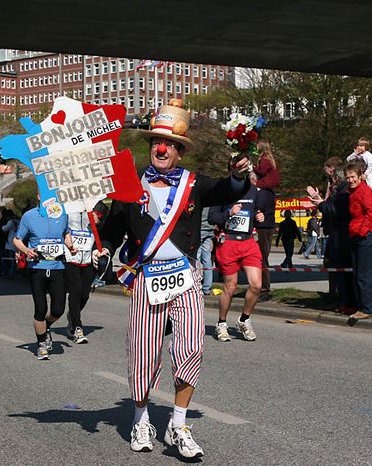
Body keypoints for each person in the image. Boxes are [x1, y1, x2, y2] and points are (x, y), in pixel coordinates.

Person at [97, 99, 250, 458]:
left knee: (191, 348)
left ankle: (179, 424)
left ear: (179, 152)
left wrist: (239, 173)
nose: (161, 149)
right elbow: (114, 227)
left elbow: (229, 190)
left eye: (169, 145)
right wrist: (102, 247)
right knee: (144, 356)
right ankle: (140, 419)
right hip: (146, 280)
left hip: (185, 280)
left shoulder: (193, 183)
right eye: (155, 143)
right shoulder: (130, 186)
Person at [12, 197, 73, 360]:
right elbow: (16, 239)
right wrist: (26, 250)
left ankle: (45, 328)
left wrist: (70, 245)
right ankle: (41, 344)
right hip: (37, 268)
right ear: (38, 196)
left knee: (58, 309)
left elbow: (66, 233)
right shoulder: (29, 216)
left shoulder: (62, 213)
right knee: (40, 309)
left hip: (57, 267)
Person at [209, 169, 264, 342]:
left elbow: (255, 212)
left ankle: (244, 319)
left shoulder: (253, 190)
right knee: (230, 287)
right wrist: (229, 213)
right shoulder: (222, 190)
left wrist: (259, 216)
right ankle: (222, 323)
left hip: (248, 242)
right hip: (229, 243)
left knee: (256, 285)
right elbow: (212, 217)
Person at [308, 157, 356, 314]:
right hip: (333, 232)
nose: (330, 181)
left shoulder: (343, 191)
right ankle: (337, 299)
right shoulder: (338, 189)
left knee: (341, 270)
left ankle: (343, 301)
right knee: (334, 268)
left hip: (340, 235)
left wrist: (320, 203)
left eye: (331, 177)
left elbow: (334, 210)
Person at [64, 202, 107, 344]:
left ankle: (72, 315)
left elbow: (105, 227)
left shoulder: (96, 204)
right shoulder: (67, 205)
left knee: (84, 294)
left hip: (88, 258)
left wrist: (98, 221)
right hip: (71, 256)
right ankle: (77, 327)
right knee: (75, 292)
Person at [344, 162, 372, 319]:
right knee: (358, 274)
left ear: (360, 176)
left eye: (353, 177)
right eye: (348, 177)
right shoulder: (352, 192)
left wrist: (362, 231)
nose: (351, 180)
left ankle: (367, 309)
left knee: (364, 275)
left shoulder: (364, 191)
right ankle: (361, 307)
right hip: (356, 234)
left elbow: (371, 212)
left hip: (365, 236)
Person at [254, 173, 276, 301]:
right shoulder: (267, 192)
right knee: (260, 258)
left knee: (261, 258)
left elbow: (258, 207)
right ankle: (260, 286)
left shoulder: (263, 192)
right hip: (265, 227)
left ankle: (264, 288)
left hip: (263, 227)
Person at [196, 207, 215, 295]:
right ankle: (207, 287)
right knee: (207, 258)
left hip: (199, 228)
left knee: (197, 257)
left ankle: (196, 284)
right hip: (209, 228)